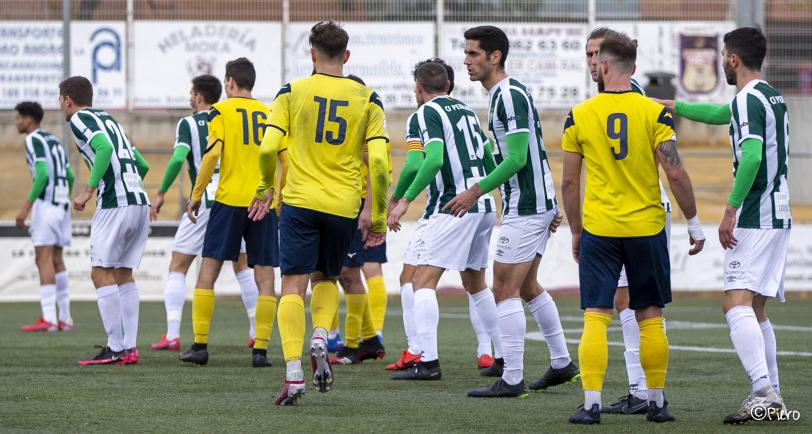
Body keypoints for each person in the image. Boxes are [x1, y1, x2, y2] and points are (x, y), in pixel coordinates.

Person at [560, 33, 705, 424]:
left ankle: (591, 404)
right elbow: (674, 171)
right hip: (646, 226)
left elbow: (570, 183)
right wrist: (693, 222)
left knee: (596, 314)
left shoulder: (579, 114)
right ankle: (655, 402)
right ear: (634, 68)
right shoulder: (655, 113)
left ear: (603, 66)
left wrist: (576, 230)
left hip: (600, 229)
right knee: (651, 315)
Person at [251, 21, 389, 405]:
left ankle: (294, 372)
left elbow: (266, 149)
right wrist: (377, 215)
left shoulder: (292, 91)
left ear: (312, 55)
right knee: (327, 278)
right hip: (343, 205)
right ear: (346, 56)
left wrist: (264, 187)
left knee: (292, 286)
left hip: (298, 200)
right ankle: (320, 335)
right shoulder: (369, 98)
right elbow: (378, 162)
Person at [657, 27, 789, 424]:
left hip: (755, 213)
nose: (721, 63)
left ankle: (763, 391)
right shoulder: (768, 95)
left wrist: (730, 209)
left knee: (735, 303)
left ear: (733, 59)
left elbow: (750, 157)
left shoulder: (748, 99)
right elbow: (720, 115)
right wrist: (672, 105)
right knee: (756, 310)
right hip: (776, 212)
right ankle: (773, 395)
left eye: (723, 57)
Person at [446, 25, 577, 398]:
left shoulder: (508, 95)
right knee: (528, 286)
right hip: (533, 204)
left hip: (527, 207)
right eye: (466, 53)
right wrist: (550, 201)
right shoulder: (505, 94)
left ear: (494, 56)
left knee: (503, 287)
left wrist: (476, 191)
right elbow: (528, 151)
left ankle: (514, 378)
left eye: (473, 54)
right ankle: (561, 362)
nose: (466, 61)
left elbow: (519, 157)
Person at [388, 61, 502, 383]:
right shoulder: (466, 112)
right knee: (475, 283)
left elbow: (427, 160)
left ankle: (427, 360)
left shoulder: (424, 114)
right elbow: (489, 156)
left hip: (452, 207)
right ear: (449, 85)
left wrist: (402, 198)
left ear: (419, 88)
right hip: (482, 206)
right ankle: (502, 355)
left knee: (419, 281)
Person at [585, 28, 676, 415]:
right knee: (634, 304)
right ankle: (642, 389)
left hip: (637, 215)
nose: (590, 63)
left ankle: (643, 389)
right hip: (628, 215)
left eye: (595, 55)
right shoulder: (608, 99)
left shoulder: (630, 96)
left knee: (637, 305)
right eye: (586, 55)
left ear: (609, 60)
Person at [178, 58, 278, 368]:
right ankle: (260, 350)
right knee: (264, 276)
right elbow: (282, 159)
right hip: (262, 203)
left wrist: (196, 194)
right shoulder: (269, 112)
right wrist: (276, 197)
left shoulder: (220, 111)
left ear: (230, 83)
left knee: (208, 270)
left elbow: (212, 155)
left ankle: (200, 346)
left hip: (230, 199)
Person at [149, 75, 261, 352]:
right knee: (243, 265)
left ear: (198, 96)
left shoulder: (188, 123)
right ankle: (257, 332)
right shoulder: (228, 115)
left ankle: (173, 334)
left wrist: (162, 192)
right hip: (238, 197)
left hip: (207, 197)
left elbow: (178, 158)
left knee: (179, 265)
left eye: (191, 93)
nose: (190, 98)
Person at [60, 76, 151, 366]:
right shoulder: (111, 120)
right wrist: (131, 188)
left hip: (116, 203)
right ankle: (130, 347)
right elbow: (143, 165)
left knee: (100, 272)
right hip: (139, 201)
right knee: (123, 273)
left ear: (67, 100)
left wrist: (88, 189)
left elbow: (104, 149)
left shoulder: (79, 119)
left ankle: (115, 347)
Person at [329, 74, 387, 366]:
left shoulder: (367, 125)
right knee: (348, 274)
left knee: (351, 275)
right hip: (347, 208)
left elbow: (378, 169)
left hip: (357, 212)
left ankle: (354, 345)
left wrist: (370, 210)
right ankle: (370, 339)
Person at [15, 101, 74, 332]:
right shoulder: (54, 140)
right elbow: (69, 176)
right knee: (58, 260)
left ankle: (49, 317)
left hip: (46, 205)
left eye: (19, 118)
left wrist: (25, 208)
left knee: (43, 259)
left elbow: (41, 174)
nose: (17, 122)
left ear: (28, 120)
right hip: (62, 205)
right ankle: (66, 319)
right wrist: (64, 200)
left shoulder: (33, 140)